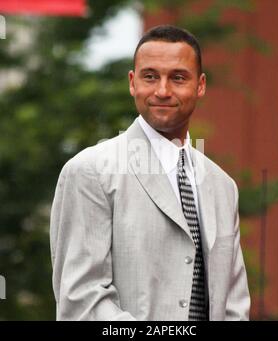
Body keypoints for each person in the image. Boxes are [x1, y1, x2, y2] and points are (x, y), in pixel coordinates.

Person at [50, 25, 250, 321]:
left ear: (201, 85)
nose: (162, 91)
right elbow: (82, 300)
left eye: (178, 77)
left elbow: (234, 305)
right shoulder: (90, 172)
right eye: (150, 76)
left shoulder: (222, 186)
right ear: (133, 82)